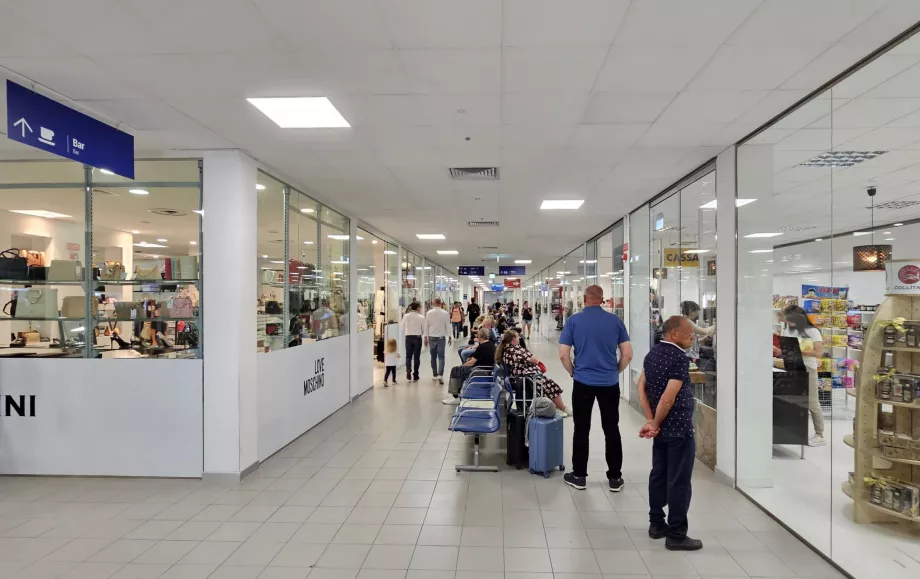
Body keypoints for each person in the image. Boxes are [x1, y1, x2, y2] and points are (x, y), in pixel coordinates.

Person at [637, 315, 702, 551]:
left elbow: (640, 388)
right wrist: (655, 421)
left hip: (662, 429)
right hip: (678, 428)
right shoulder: (678, 359)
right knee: (679, 480)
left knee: (659, 473)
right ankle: (676, 534)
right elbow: (668, 398)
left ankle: (656, 523)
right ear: (674, 333)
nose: (692, 338)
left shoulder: (651, 354)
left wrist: (651, 421)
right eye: (689, 334)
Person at [559, 284, 633, 492]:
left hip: (583, 382)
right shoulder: (616, 321)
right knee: (612, 429)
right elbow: (627, 354)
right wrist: (615, 371)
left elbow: (564, 354)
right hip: (609, 383)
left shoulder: (573, 321)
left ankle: (579, 476)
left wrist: (573, 372)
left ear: (584, 299)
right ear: (602, 299)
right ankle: (615, 478)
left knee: (582, 429)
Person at [777, 305, 826, 446]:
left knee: (811, 401)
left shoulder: (812, 331)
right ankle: (794, 431)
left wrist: (799, 350)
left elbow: (818, 353)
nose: (788, 323)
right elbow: (786, 348)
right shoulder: (788, 330)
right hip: (791, 367)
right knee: (792, 400)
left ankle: (820, 434)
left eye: (790, 320)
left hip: (807, 368)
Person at [497, 330, 568, 416]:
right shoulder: (514, 350)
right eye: (517, 336)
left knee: (547, 384)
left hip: (522, 377)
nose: (519, 338)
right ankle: (562, 408)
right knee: (551, 385)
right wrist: (533, 357)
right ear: (513, 339)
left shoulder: (508, 349)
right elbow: (534, 359)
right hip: (525, 379)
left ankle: (557, 407)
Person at [443, 327, 495, 406]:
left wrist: (462, 365)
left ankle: (455, 396)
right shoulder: (490, 344)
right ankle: (456, 392)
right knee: (460, 370)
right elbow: (477, 357)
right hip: (485, 369)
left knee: (456, 370)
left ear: (480, 336)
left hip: (480, 371)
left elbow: (471, 362)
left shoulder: (482, 346)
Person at [425, 297, 452, 385]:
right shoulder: (445, 313)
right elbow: (448, 325)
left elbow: (426, 326)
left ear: (433, 303)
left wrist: (425, 337)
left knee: (433, 357)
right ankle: (440, 374)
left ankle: (435, 374)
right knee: (441, 357)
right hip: (441, 338)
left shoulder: (429, 313)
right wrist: (450, 336)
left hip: (432, 337)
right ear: (440, 303)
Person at [401, 302, 425, 382]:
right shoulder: (421, 317)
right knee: (416, 357)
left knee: (408, 356)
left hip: (408, 337)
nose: (421, 309)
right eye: (420, 307)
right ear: (417, 308)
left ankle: (408, 369)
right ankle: (416, 374)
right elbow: (424, 329)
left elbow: (402, 327)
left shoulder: (406, 316)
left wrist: (407, 332)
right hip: (417, 338)